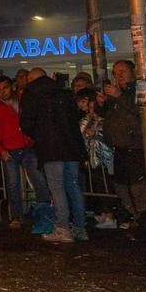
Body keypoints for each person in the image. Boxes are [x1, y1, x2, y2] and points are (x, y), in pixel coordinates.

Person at [20, 68, 89, 243]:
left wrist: (36, 134)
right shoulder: (63, 91)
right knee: (73, 185)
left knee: (56, 187)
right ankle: (80, 228)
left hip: (51, 146)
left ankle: (63, 228)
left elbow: (26, 122)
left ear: (31, 79)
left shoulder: (31, 92)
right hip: (71, 145)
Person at [0, 75, 48, 228]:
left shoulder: (23, 100)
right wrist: (0, 150)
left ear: (11, 86)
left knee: (38, 181)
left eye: (4, 88)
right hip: (11, 149)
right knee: (14, 184)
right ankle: (19, 216)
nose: (2, 92)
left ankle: (42, 214)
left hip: (26, 146)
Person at [100, 60, 146, 236]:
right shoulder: (118, 94)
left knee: (138, 186)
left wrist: (119, 97)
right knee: (120, 185)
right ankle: (136, 216)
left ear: (133, 72)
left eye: (122, 71)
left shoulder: (137, 90)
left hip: (134, 146)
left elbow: (140, 111)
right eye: (115, 72)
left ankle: (145, 220)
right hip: (120, 147)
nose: (118, 76)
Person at [76, 87, 117, 229]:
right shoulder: (88, 120)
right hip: (94, 160)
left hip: (104, 159)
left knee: (106, 187)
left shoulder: (104, 121)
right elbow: (81, 133)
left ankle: (110, 215)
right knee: (99, 187)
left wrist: (95, 133)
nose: (90, 110)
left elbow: (107, 136)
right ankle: (105, 213)